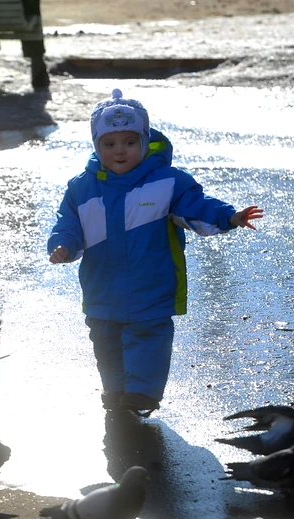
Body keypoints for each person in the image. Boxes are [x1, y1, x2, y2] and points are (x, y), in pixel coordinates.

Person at [47, 89, 264, 416]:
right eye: (109, 144)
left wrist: (228, 216)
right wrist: (62, 245)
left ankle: (142, 395)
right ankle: (116, 390)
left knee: (147, 339)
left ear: (145, 142)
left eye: (130, 142)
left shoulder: (166, 182)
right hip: (101, 289)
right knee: (106, 343)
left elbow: (196, 208)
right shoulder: (82, 187)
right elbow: (68, 222)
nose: (120, 151)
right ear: (96, 146)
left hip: (151, 286)